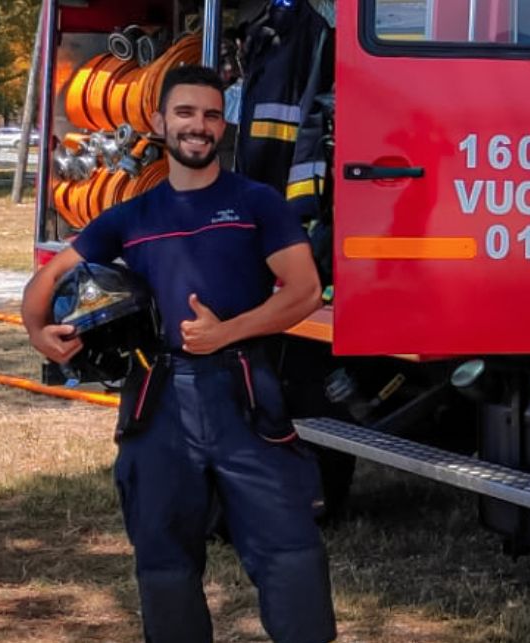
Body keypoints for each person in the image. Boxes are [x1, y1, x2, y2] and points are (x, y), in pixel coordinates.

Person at [20, 65, 335, 642]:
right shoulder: (132, 216)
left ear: (222, 127)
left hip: (244, 397)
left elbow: (304, 292)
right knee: (164, 562)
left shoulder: (255, 203)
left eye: (211, 115)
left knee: (290, 553)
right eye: (185, 113)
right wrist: (39, 332)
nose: (199, 126)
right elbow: (47, 279)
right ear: (160, 122)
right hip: (159, 402)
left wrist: (227, 333)